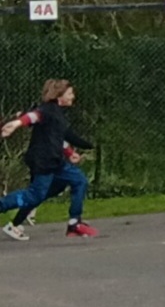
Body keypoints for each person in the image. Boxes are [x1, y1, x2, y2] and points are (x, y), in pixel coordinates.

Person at [0, 80, 98, 241]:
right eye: (70, 93)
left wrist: (69, 152)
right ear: (60, 96)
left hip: (56, 161)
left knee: (79, 180)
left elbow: (56, 137)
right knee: (34, 196)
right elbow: (34, 116)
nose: (73, 96)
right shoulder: (48, 110)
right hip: (43, 161)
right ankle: (5, 208)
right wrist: (17, 123)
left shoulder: (58, 114)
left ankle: (74, 222)